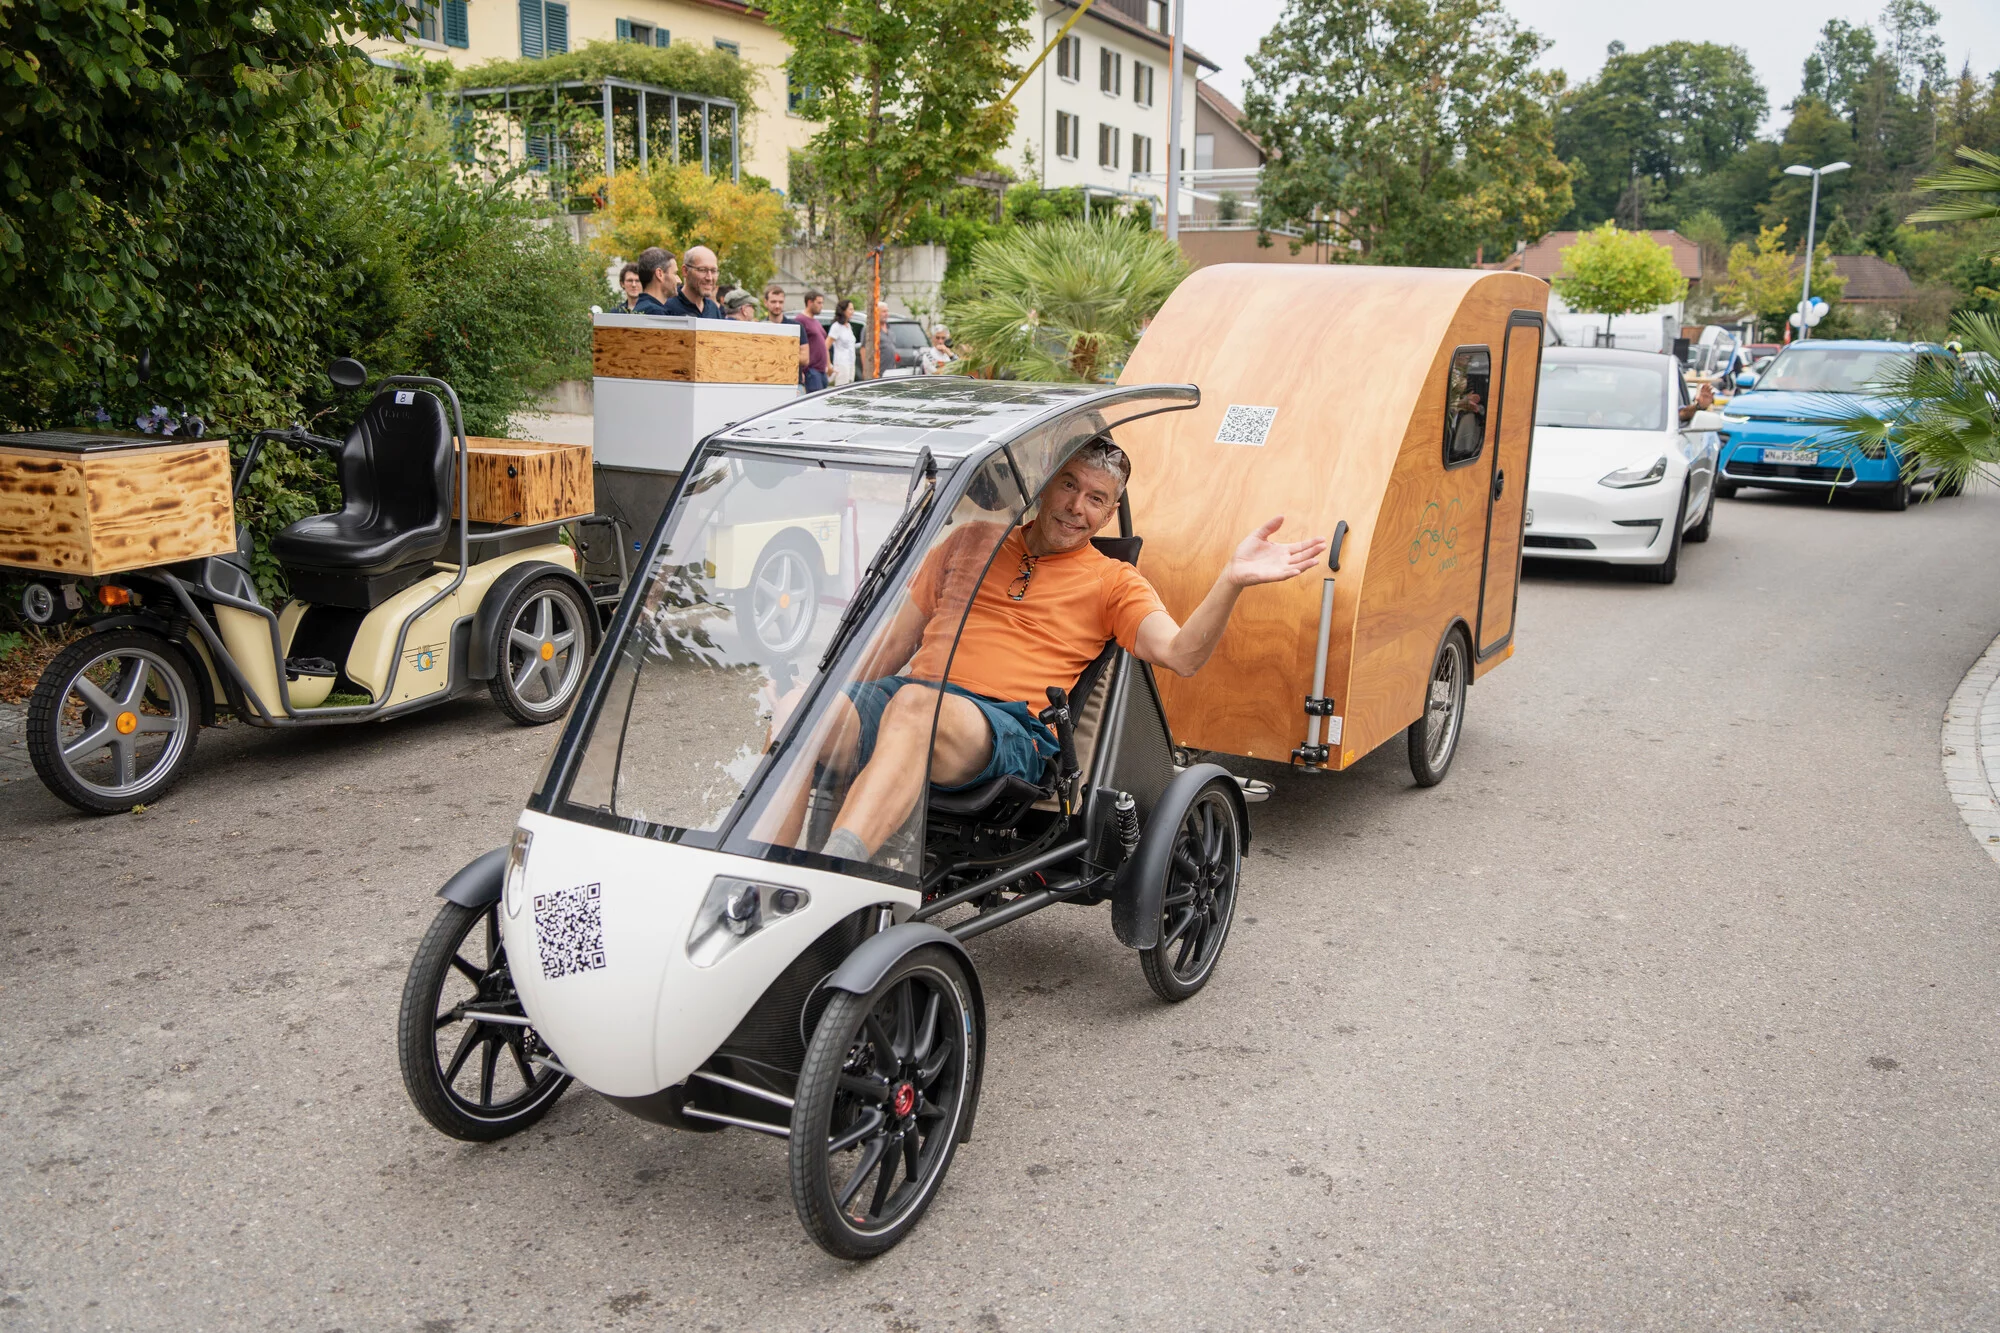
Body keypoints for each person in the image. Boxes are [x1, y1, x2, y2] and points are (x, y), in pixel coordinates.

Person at [803, 439, 1326, 865]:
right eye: (1069, 485)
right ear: (1045, 482)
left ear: (1107, 514)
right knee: (797, 719)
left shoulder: (1113, 581)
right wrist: (821, 697)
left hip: (1003, 729)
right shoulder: (969, 541)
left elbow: (1182, 654)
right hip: (909, 699)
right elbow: (891, 647)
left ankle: (833, 881)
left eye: (1096, 499)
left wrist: (1231, 580)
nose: (1077, 507)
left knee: (916, 709)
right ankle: (759, 879)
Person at [766, 282, 810, 379]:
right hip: (766, 381)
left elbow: (805, 359)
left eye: (780, 302)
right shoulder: (760, 327)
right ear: (766, 302)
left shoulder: (796, 327)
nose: (777, 306)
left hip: (794, 383)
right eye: (773, 302)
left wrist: (775, 355)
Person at [665, 245, 724, 318]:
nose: (709, 278)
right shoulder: (667, 306)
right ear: (685, 271)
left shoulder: (713, 309)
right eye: (702, 270)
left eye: (713, 271)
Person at [799, 289, 831, 391]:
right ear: (809, 302)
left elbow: (824, 344)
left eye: (822, 303)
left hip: (821, 370)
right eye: (819, 303)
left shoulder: (816, 321)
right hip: (811, 371)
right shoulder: (800, 320)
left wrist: (828, 364)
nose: (821, 305)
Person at [632, 247, 676, 315]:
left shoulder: (641, 308)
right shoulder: (656, 313)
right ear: (659, 274)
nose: (679, 280)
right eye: (675, 273)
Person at [828, 298, 858, 386]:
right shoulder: (836, 326)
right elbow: (825, 346)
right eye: (850, 309)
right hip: (841, 364)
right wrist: (829, 365)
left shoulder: (848, 326)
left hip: (851, 363)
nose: (852, 312)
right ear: (843, 310)